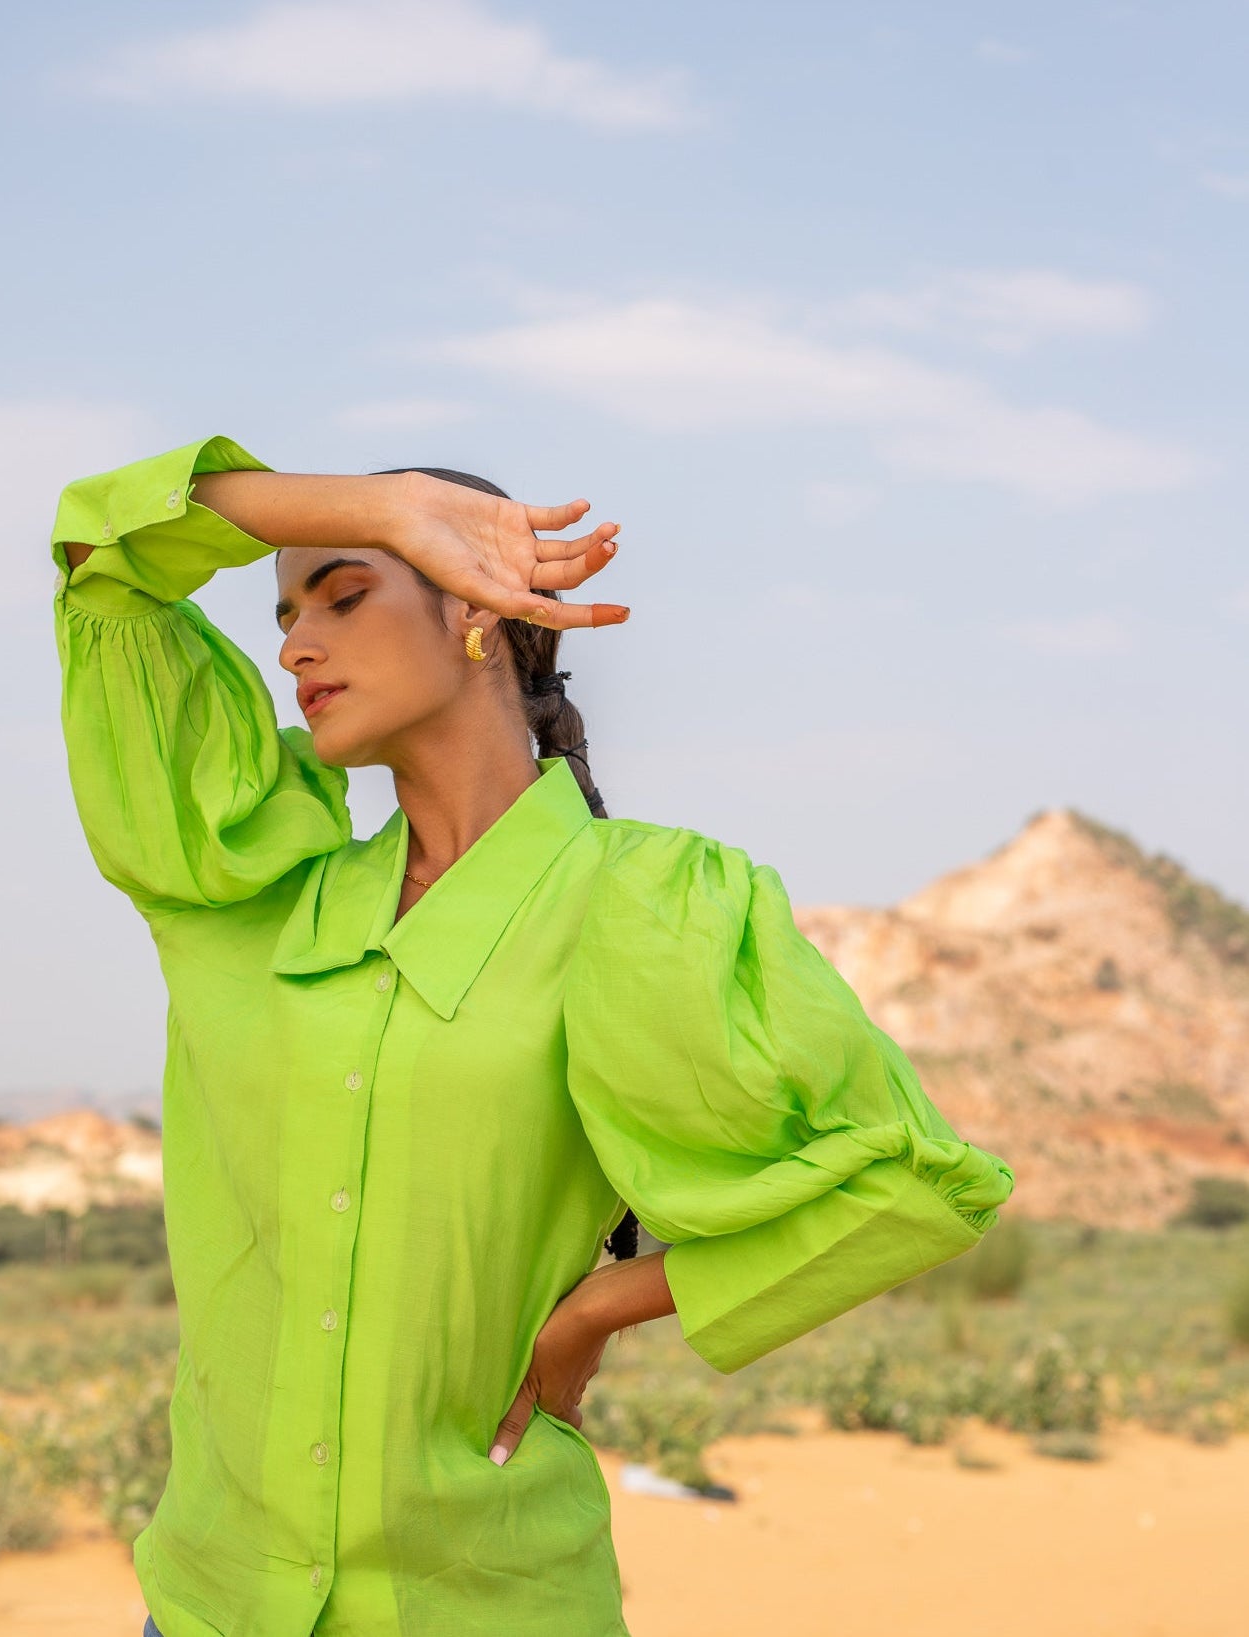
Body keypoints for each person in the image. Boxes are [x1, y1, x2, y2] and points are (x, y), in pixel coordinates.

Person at [50, 435, 1015, 1637]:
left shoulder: (642, 903)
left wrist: (599, 1308)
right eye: (286, 613)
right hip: (208, 1606)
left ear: (478, 611)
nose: (294, 645)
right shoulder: (240, 888)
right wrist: (385, 510)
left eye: (344, 595)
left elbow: (918, 1180)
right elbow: (103, 560)